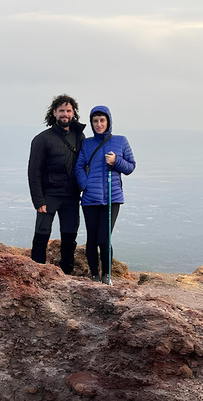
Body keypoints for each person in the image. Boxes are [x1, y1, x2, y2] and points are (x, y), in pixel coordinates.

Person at [74, 106, 136, 284]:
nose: (99, 124)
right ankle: (94, 275)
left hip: (112, 197)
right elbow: (79, 166)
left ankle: (106, 275)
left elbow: (131, 167)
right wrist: (85, 184)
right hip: (90, 199)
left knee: (104, 238)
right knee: (91, 239)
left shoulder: (121, 141)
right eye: (95, 121)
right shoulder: (87, 144)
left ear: (108, 121)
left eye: (102, 120)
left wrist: (116, 161)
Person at [27, 94, 86, 274]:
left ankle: (67, 273)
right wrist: (38, 200)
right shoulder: (42, 139)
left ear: (73, 113)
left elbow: (85, 164)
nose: (65, 114)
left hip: (71, 195)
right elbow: (33, 171)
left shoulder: (79, 136)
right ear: (54, 112)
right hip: (49, 195)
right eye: (61, 110)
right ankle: (36, 272)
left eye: (68, 111)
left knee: (69, 237)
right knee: (41, 235)